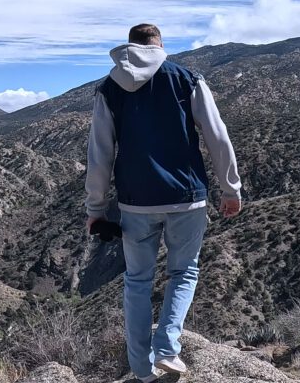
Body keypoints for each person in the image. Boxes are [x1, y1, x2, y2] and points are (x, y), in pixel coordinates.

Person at [85, 23, 243, 382]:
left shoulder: (109, 88)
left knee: (137, 281)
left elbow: (99, 155)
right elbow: (218, 137)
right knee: (184, 272)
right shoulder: (187, 79)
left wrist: (96, 209)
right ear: (159, 46)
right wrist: (230, 189)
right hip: (187, 198)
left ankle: (143, 370)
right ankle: (168, 348)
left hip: (135, 202)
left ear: (130, 48)